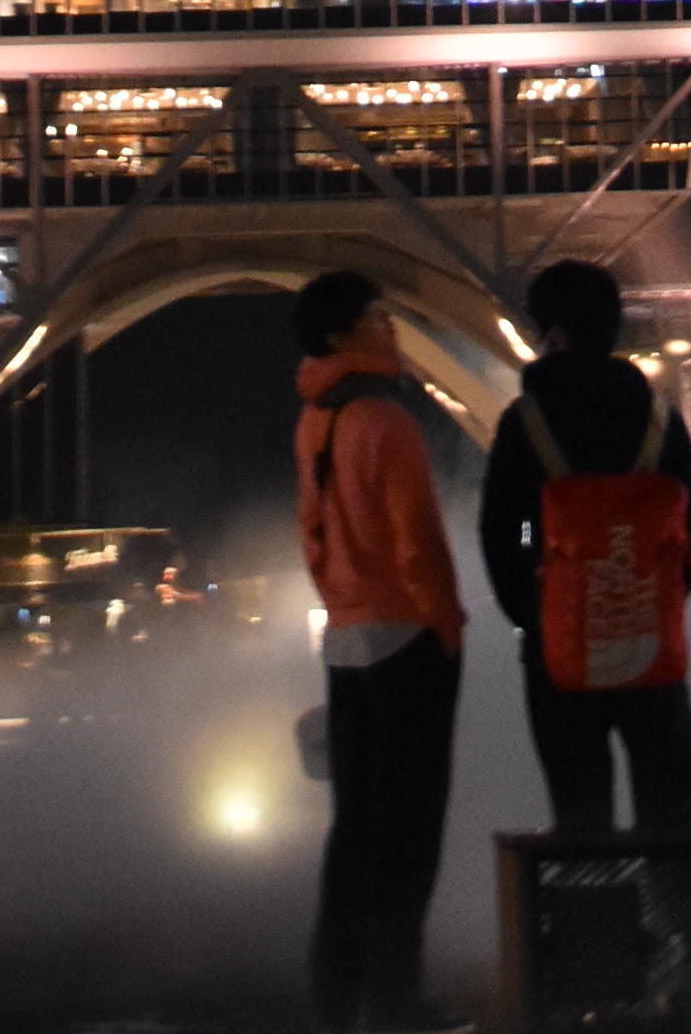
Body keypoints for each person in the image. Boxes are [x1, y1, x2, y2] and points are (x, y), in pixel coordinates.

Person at [294, 266, 470, 1034]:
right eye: (376, 314)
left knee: (355, 827)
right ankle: (400, 1000)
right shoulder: (388, 422)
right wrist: (447, 625)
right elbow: (420, 543)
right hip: (405, 639)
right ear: (341, 333)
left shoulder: (316, 421)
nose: (390, 325)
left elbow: (313, 534)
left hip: (347, 641)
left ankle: (338, 990)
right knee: (409, 831)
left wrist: (340, 602)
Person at [479, 256, 691, 833]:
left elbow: (510, 528)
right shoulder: (658, 417)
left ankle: (595, 919)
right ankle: (677, 917)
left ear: (552, 332)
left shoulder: (525, 421)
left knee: (579, 812)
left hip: (558, 645)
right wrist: (658, 587)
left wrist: (536, 596)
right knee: (672, 804)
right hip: (648, 640)